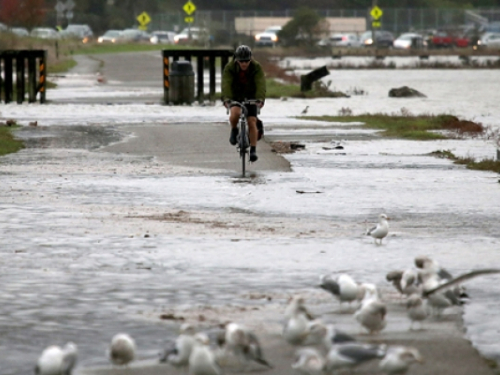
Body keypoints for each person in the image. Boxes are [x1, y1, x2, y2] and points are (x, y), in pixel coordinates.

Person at [222, 45, 266, 162]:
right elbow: (226, 83)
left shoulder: (256, 67)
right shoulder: (230, 68)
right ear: (236, 60)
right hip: (235, 95)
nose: (244, 64)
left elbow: (260, 83)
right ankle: (234, 129)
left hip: (251, 96)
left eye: (246, 61)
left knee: (252, 121)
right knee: (235, 113)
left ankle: (253, 149)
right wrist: (227, 99)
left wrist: (260, 99)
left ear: (250, 60)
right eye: (241, 61)